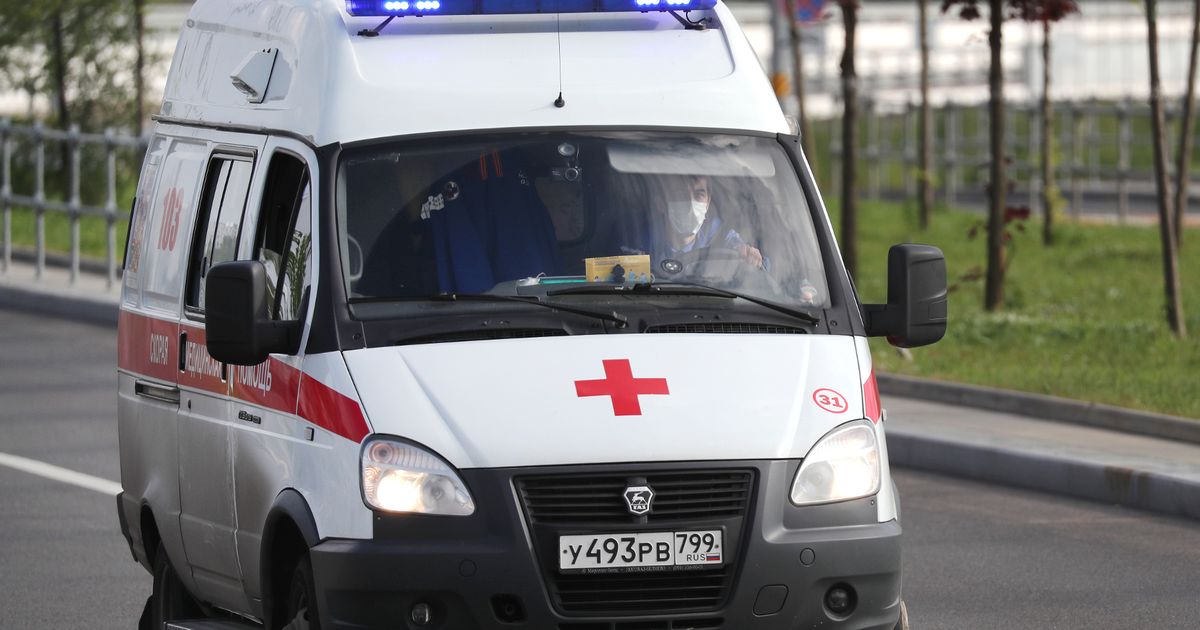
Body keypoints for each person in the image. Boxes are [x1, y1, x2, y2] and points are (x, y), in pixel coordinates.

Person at [654, 175, 764, 268]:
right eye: (680, 195)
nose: (691, 204)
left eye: (699, 195)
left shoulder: (717, 234)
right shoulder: (647, 241)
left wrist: (750, 255)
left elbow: (737, 245)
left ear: (707, 203)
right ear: (661, 203)